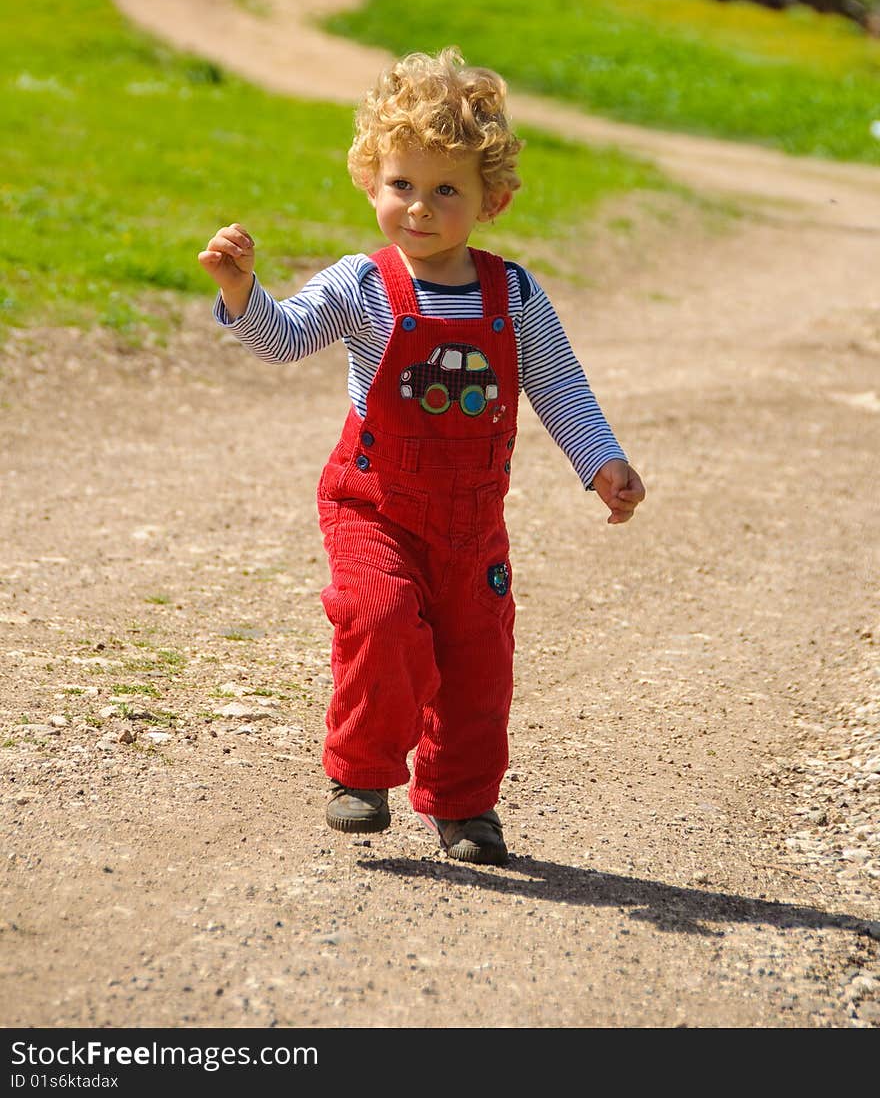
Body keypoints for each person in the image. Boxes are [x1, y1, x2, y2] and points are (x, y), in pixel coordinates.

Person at [198, 47, 645, 866]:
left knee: (480, 663)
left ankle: (466, 807)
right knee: (381, 617)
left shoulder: (514, 295)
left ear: (493, 199)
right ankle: (362, 775)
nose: (421, 208)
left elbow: (560, 387)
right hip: (375, 505)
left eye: (447, 190)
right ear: (372, 179)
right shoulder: (361, 286)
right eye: (403, 184)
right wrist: (240, 292)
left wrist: (602, 460)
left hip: (472, 524)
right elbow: (284, 336)